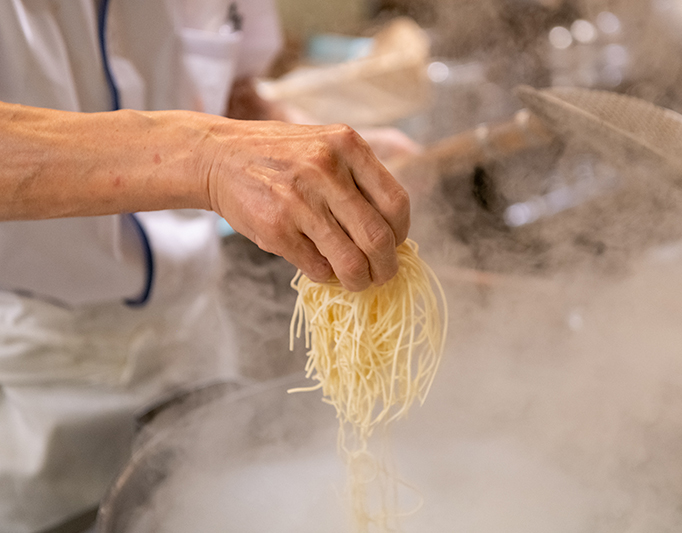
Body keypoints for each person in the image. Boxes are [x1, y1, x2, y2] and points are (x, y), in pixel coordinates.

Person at [0, 0, 412, 531]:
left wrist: (315, 165)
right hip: (34, 364)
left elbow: (230, 94)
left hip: (195, 331)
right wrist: (207, 156)